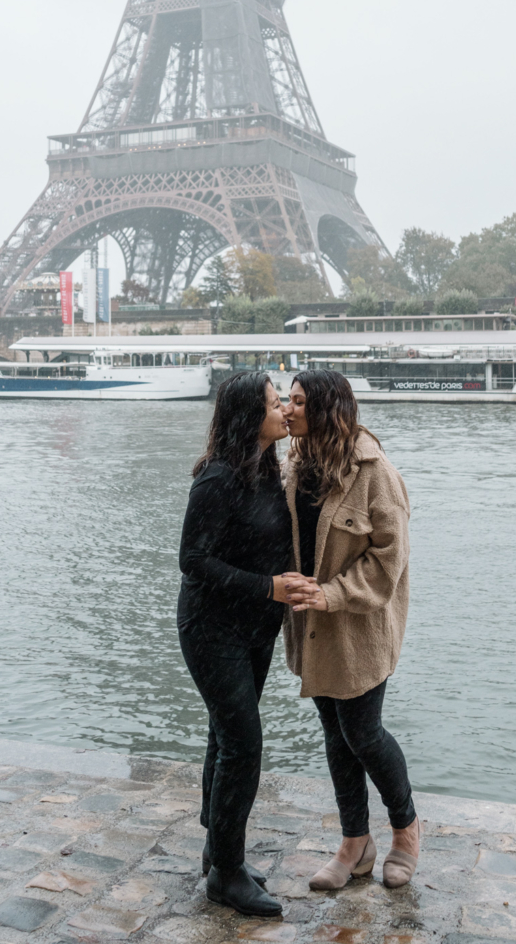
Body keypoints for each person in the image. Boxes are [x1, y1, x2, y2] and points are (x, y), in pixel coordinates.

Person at [281, 369, 419, 890]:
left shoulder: (376, 473)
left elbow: (390, 560)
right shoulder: (297, 463)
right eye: (287, 400)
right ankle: (354, 844)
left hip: (360, 630)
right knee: (335, 734)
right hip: (312, 630)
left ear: (323, 409)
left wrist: (331, 594)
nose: (288, 409)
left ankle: (406, 831)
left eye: (296, 401)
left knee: (363, 732)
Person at [177, 372, 301, 917]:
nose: (284, 413)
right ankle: (226, 874)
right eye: (276, 404)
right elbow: (193, 561)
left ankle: (217, 849)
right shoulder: (218, 479)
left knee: (225, 736)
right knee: (243, 743)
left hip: (256, 628)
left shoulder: (269, 468)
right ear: (251, 417)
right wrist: (269, 587)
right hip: (211, 628)